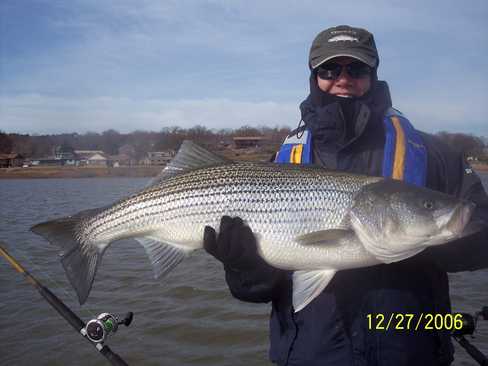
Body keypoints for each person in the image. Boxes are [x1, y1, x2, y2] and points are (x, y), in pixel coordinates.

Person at [203, 25, 488, 366]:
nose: (343, 79)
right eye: (328, 69)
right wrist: (244, 267)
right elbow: (257, 292)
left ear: (373, 74)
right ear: (314, 77)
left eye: (356, 69)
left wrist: (432, 237)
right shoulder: (281, 160)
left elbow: (481, 232)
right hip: (309, 355)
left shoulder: (433, 152)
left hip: (412, 351)